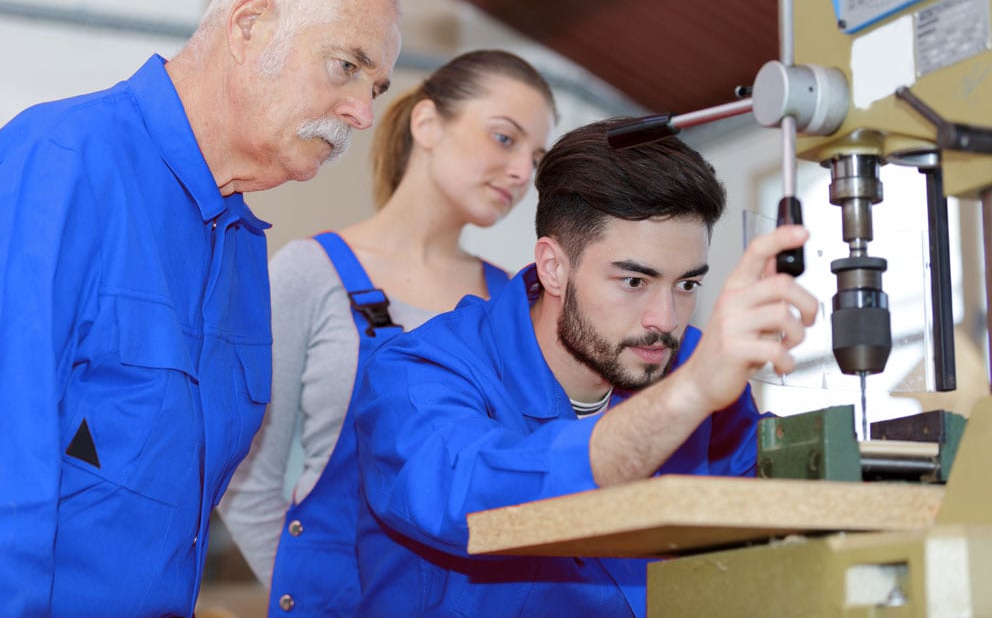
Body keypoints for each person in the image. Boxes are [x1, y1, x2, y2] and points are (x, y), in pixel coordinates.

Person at [0, 0, 400, 615]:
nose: (360, 112)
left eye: (376, 89)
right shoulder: (60, 166)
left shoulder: (242, 247)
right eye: (348, 66)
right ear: (249, 25)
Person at [346, 118, 819, 617]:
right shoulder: (417, 373)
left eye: (687, 285)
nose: (666, 321)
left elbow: (770, 480)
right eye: (634, 281)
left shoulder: (689, 366)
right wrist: (688, 394)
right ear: (553, 267)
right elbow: (472, 497)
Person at [217, 49, 557, 613]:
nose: (524, 172)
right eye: (505, 138)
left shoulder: (517, 305)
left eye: (537, 156)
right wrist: (310, 592)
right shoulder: (311, 273)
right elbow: (247, 476)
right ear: (427, 124)